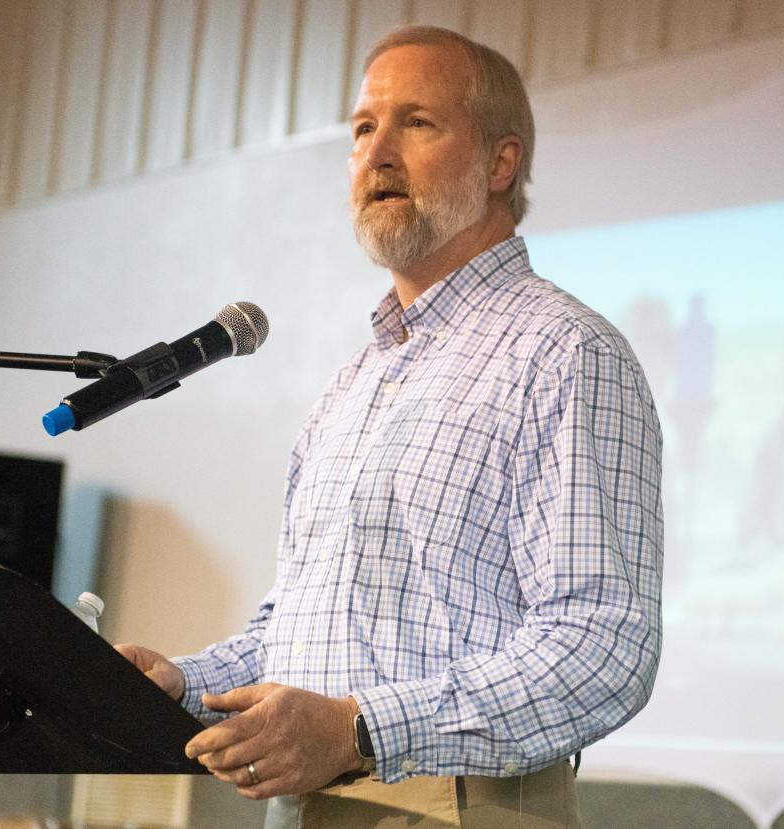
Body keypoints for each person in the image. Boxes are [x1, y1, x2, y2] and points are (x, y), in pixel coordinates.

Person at [117, 25, 663, 828]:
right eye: (364, 128)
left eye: (417, 123)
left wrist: (362, 730)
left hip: (455, 807)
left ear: (500, 164)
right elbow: (300, 627)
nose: (377, 153)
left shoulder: (566, 351)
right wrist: (184, 683)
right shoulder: (353, 383)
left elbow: (602, 644)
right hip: (301, 806)